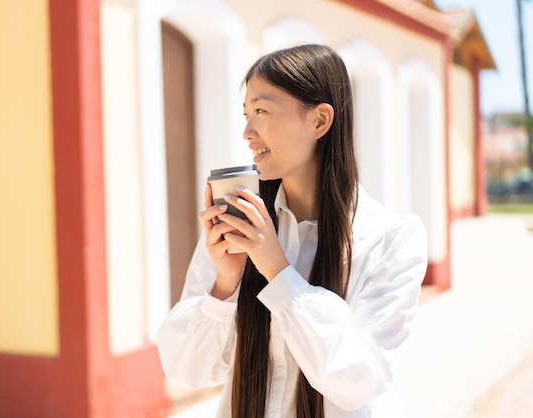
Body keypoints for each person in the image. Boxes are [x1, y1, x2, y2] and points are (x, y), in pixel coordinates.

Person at [156, 43, 428, 418]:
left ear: (319, 121)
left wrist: (278, 273)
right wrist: (224, 285)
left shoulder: (391, 239)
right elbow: (186, 369)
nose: (247, 131)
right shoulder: (242, 223)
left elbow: (360, 380)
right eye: (246, 114)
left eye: (262, 111)